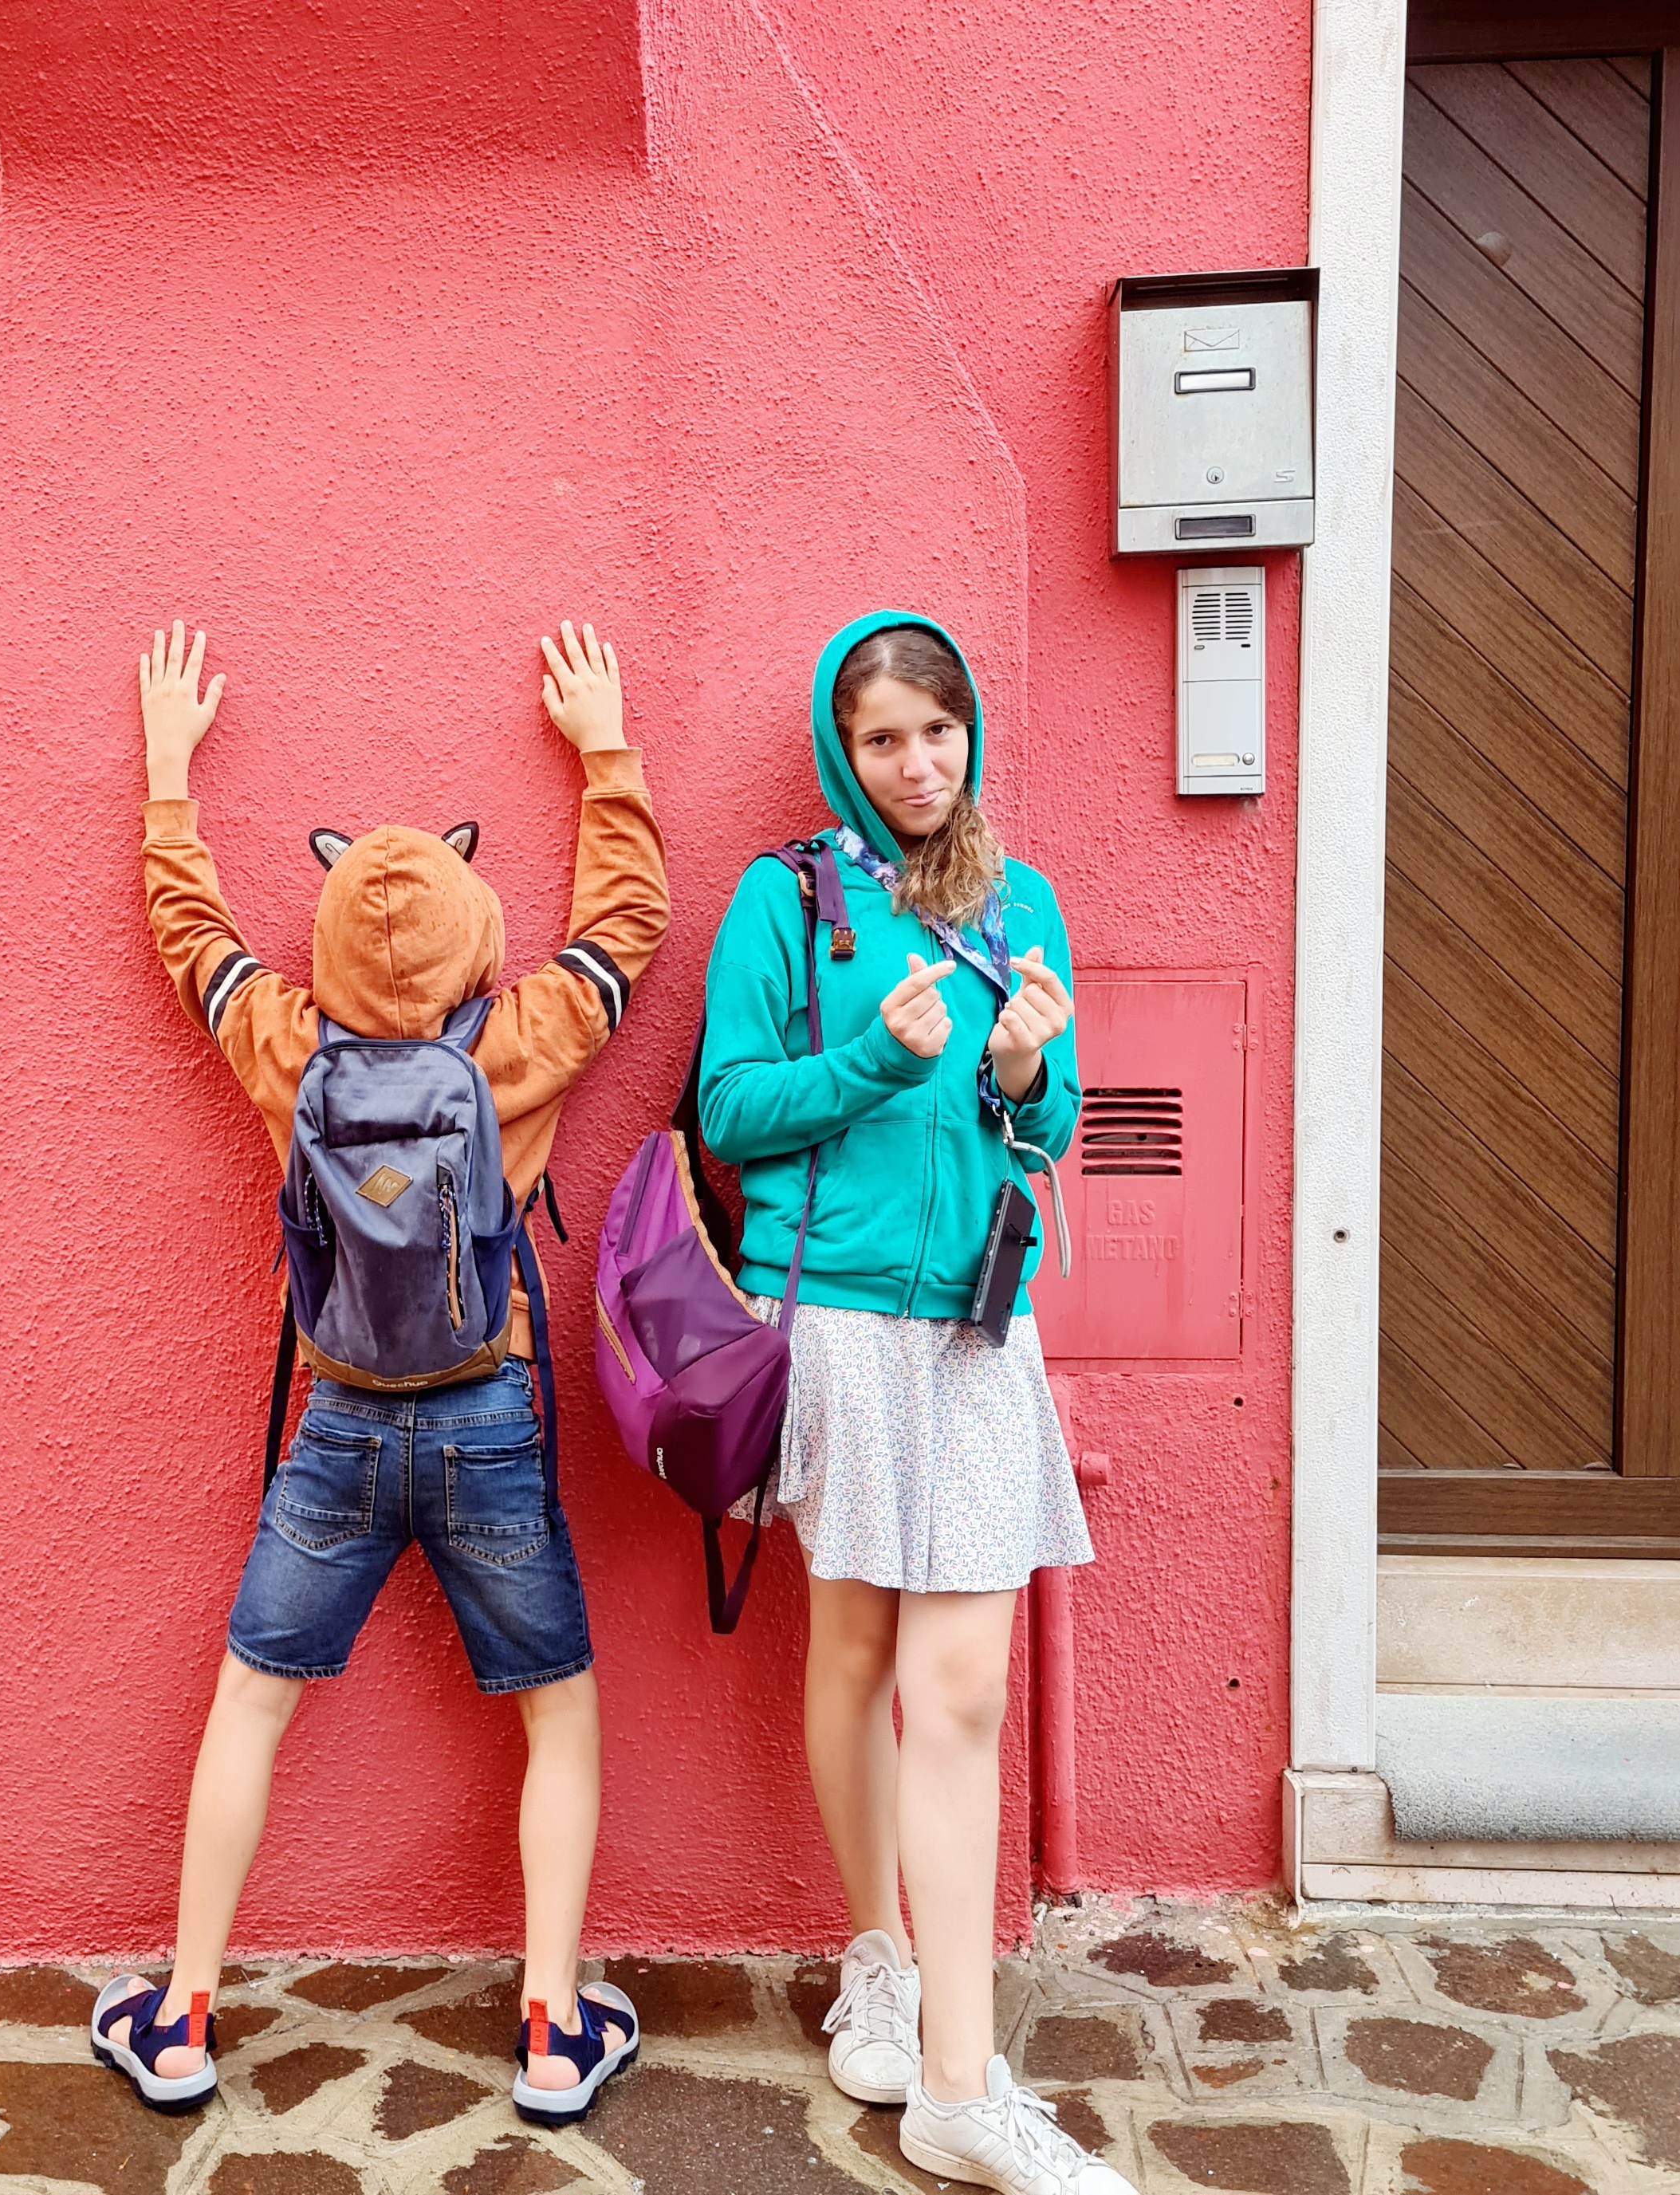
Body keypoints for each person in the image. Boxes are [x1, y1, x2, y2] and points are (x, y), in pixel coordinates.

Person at [95, 618, 667, 2125]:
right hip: (489, 1416)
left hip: (337, 1422)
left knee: (251, 1699)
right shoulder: (519, 1043)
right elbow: (628, 922)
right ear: (478, 922)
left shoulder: (290, 1047)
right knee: (556, 1706)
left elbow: (192, 940)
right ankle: (554, 2028)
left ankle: (180, 2015)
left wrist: (168, 776)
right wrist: (603, 750)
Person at [700, 613, 1131, 2193]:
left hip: (977, 1329)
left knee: (958, 1694)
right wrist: (875, 1067)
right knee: (854, 1651)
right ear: (843, 749)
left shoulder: (1022, 905)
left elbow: (1044, 1134)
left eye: (936, 731)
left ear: (970, 733)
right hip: (834, 1319)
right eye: (881, 738)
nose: (915, 762)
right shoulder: (786, 899)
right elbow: (730, 1108)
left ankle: (957, 2079)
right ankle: (875, 1950)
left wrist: (1022, 1074)